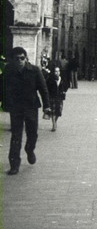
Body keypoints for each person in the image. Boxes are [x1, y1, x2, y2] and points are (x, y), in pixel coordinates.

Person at [3, 47, 51, 175]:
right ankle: (14, 164)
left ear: (26, 58)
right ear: (12, 60)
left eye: (22, 58)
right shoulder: (8, 70)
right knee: (16, 136)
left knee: (32, 134)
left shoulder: (34, 71)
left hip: (31, 107)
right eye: (17, 59)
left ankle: (29, 150)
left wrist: (47, 106)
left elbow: (43, 89)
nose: (20, 61)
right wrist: (5, 104)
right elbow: (3, 88)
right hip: (16, 108)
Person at [46, 65, 69, 132]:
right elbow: (47, 88)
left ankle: (55, 121)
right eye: (56, 71)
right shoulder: (50, 79)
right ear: (53, 72)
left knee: (59, 111)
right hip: (52, 97)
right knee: (53, 112)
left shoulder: (62, 79)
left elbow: (66, 85)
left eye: (58, 71)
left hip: (60, 97)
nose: (57, 73)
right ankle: (54, 124)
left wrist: (64, 90)